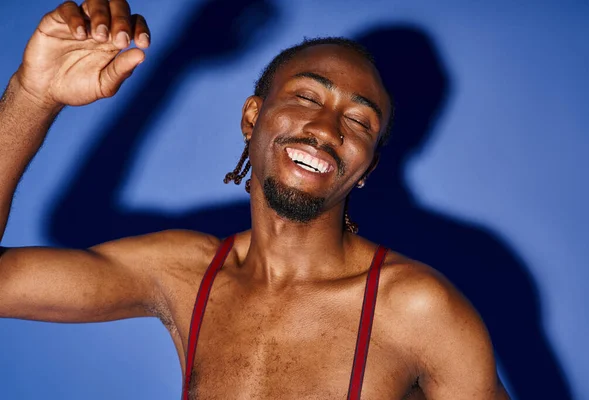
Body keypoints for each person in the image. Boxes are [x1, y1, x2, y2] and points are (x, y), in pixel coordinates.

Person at [0, 1, 510, 398]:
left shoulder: (419, 309)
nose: (325, 129)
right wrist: (33, 94)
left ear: (367, 167)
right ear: (252, 118)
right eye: (306, 97)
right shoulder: (186, 274)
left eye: (359, 121)